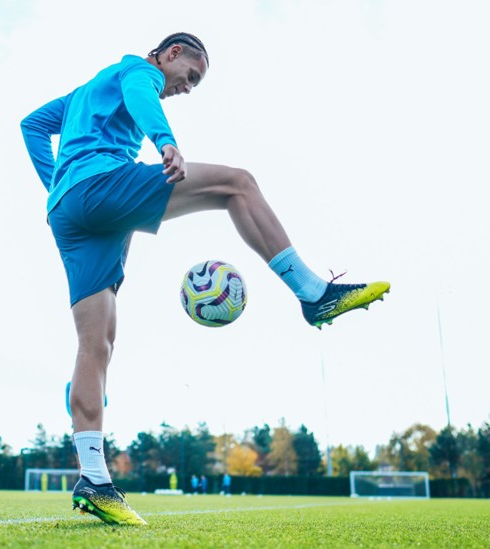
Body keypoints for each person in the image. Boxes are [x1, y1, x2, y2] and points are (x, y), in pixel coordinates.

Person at [20, 33, 389, 525]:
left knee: (96, 344)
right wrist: (166, 142)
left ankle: (95, 480)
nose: (188, 88)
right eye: (190, 76)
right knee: (238, 183)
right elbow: (141, 93)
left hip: (69, 213)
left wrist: (56, 184)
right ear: (171, 54)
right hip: (99, 187)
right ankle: (312, 293)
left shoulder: (84, 93)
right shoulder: (138, 70)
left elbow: (31, 125)